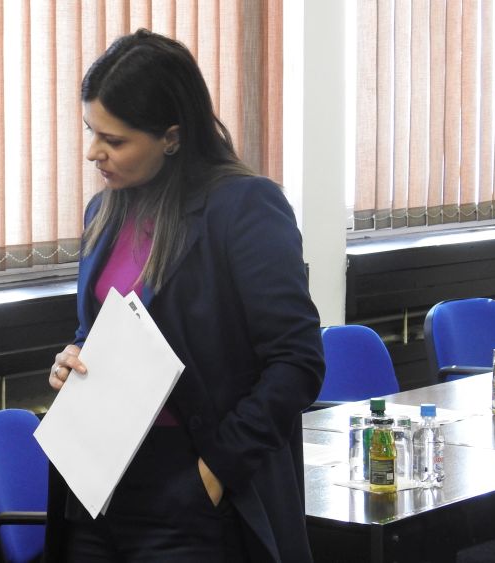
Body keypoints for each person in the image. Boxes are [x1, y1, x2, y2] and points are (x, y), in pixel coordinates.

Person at [45, 30, 324, 563]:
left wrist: (215, 471)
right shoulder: (103, 212)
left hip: (193, 479)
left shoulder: (244, 208)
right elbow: (101, 330)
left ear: (171, 137)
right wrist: (74, 359)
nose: (93, 153)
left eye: (114, 140)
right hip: (97, 481)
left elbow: (298, 361)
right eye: (90, 131)